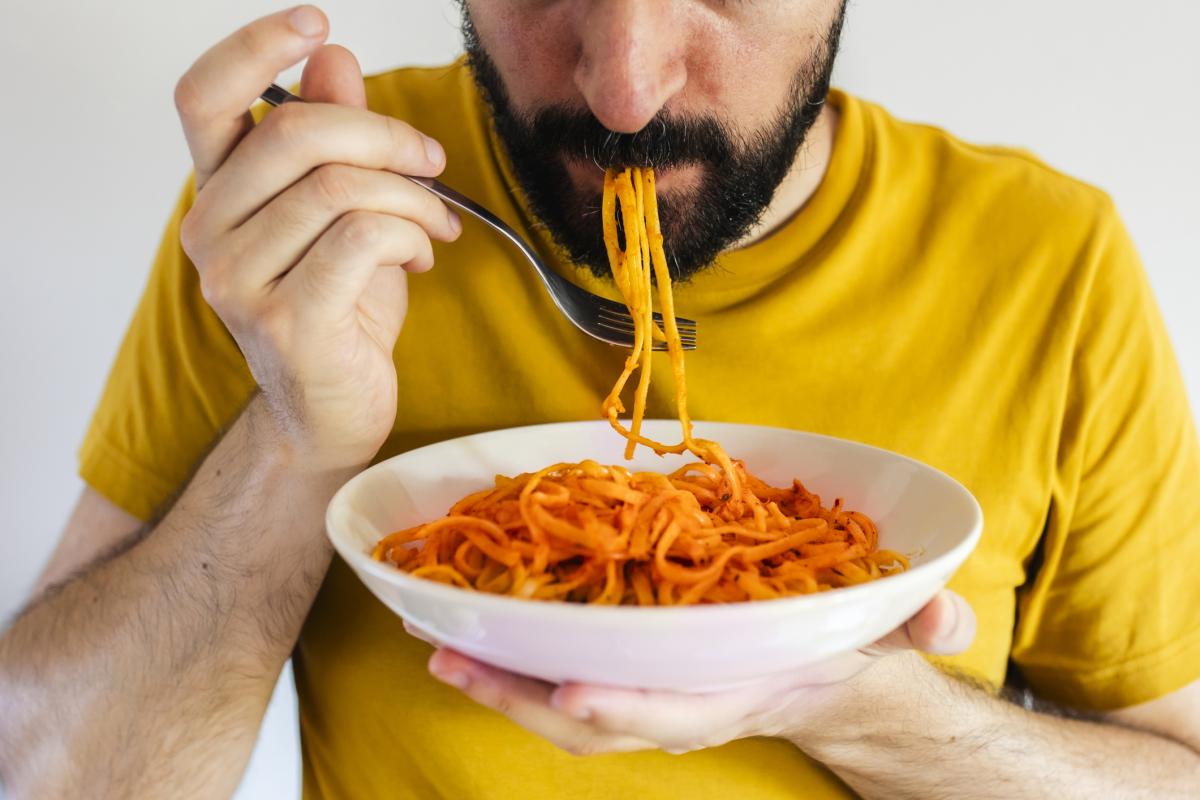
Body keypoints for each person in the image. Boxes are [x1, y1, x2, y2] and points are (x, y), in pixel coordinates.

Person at [2, 2, 1198, 797]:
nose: (624, 91)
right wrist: (298, 437)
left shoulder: (1046, 259)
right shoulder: (308, 212)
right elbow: (53, 770)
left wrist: (868, 708)